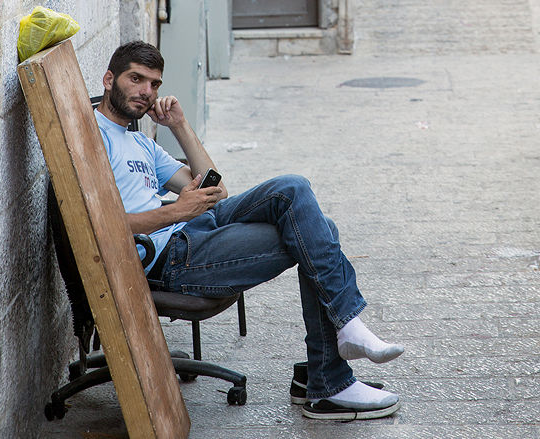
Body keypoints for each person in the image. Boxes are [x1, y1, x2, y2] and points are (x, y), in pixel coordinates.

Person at [94, 41, 404, 420]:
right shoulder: (94, 137)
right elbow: (103, 224)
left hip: (196, 226)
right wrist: (177, 211)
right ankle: (330, 376)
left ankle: (340, 348)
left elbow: (215, 189)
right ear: (109, 80)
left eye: (154, 84)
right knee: (316, 231)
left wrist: (180, 125)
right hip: (168, 259)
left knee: (293, 189)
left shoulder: (141, 141)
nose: (146, 92)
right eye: (135, 79)